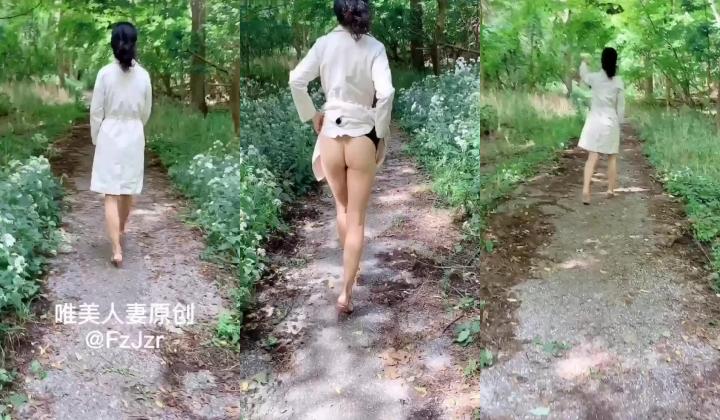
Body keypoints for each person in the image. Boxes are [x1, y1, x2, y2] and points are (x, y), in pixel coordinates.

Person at [289, 0, 394, 314]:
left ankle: (350, 268)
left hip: (330, 135)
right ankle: (346, 291)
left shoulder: (324, 44)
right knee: (358, 219)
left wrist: (312, 115)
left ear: (338, 13)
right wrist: (380, 131)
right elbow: (386, 92)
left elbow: (296, 80)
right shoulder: (375, 47)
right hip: (362, 135)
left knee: (343, 209)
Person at [89, 22, 152, 267]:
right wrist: (135, 126)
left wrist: (97, 137)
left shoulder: (105, 73)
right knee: (128, 188)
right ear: (134, 44)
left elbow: (96, 111)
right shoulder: (144, 75)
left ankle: (116, 249)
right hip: (134, 133)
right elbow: (146, 111)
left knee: (110, 193)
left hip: (110, 133)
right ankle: (122, 227)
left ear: (113, 44)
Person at [577, 47, 624, 205]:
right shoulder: (618, 81)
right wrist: (620, 123)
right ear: (615, 62)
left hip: (595, 120)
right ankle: (610, 189)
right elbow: (621, 106)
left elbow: (584, 75)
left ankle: (586, 189)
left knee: (592, 156)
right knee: (612, 157)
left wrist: (584, 63)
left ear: (602, 61)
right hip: (610, 120)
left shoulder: (595, 78)